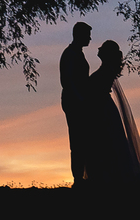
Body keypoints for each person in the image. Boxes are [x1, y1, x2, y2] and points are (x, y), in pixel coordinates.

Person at [84, 40, 140, 189]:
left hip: (102, 110)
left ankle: (110, 180)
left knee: (107, 143)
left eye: (102, 48)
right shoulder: (107, 70)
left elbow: (95, 90)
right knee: (107, 144)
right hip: (102, 108)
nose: (98, 49)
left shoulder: (106, 71)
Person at [60, 22, 92, 186]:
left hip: (80, 101)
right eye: (87, 35)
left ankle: (83, 177)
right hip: (74, 103)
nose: (90, 39)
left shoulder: (77, 53)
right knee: (78, 141)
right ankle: (78, 178)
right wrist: (80, 99)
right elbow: (67, 81)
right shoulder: (70, 54)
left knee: (83, 140)